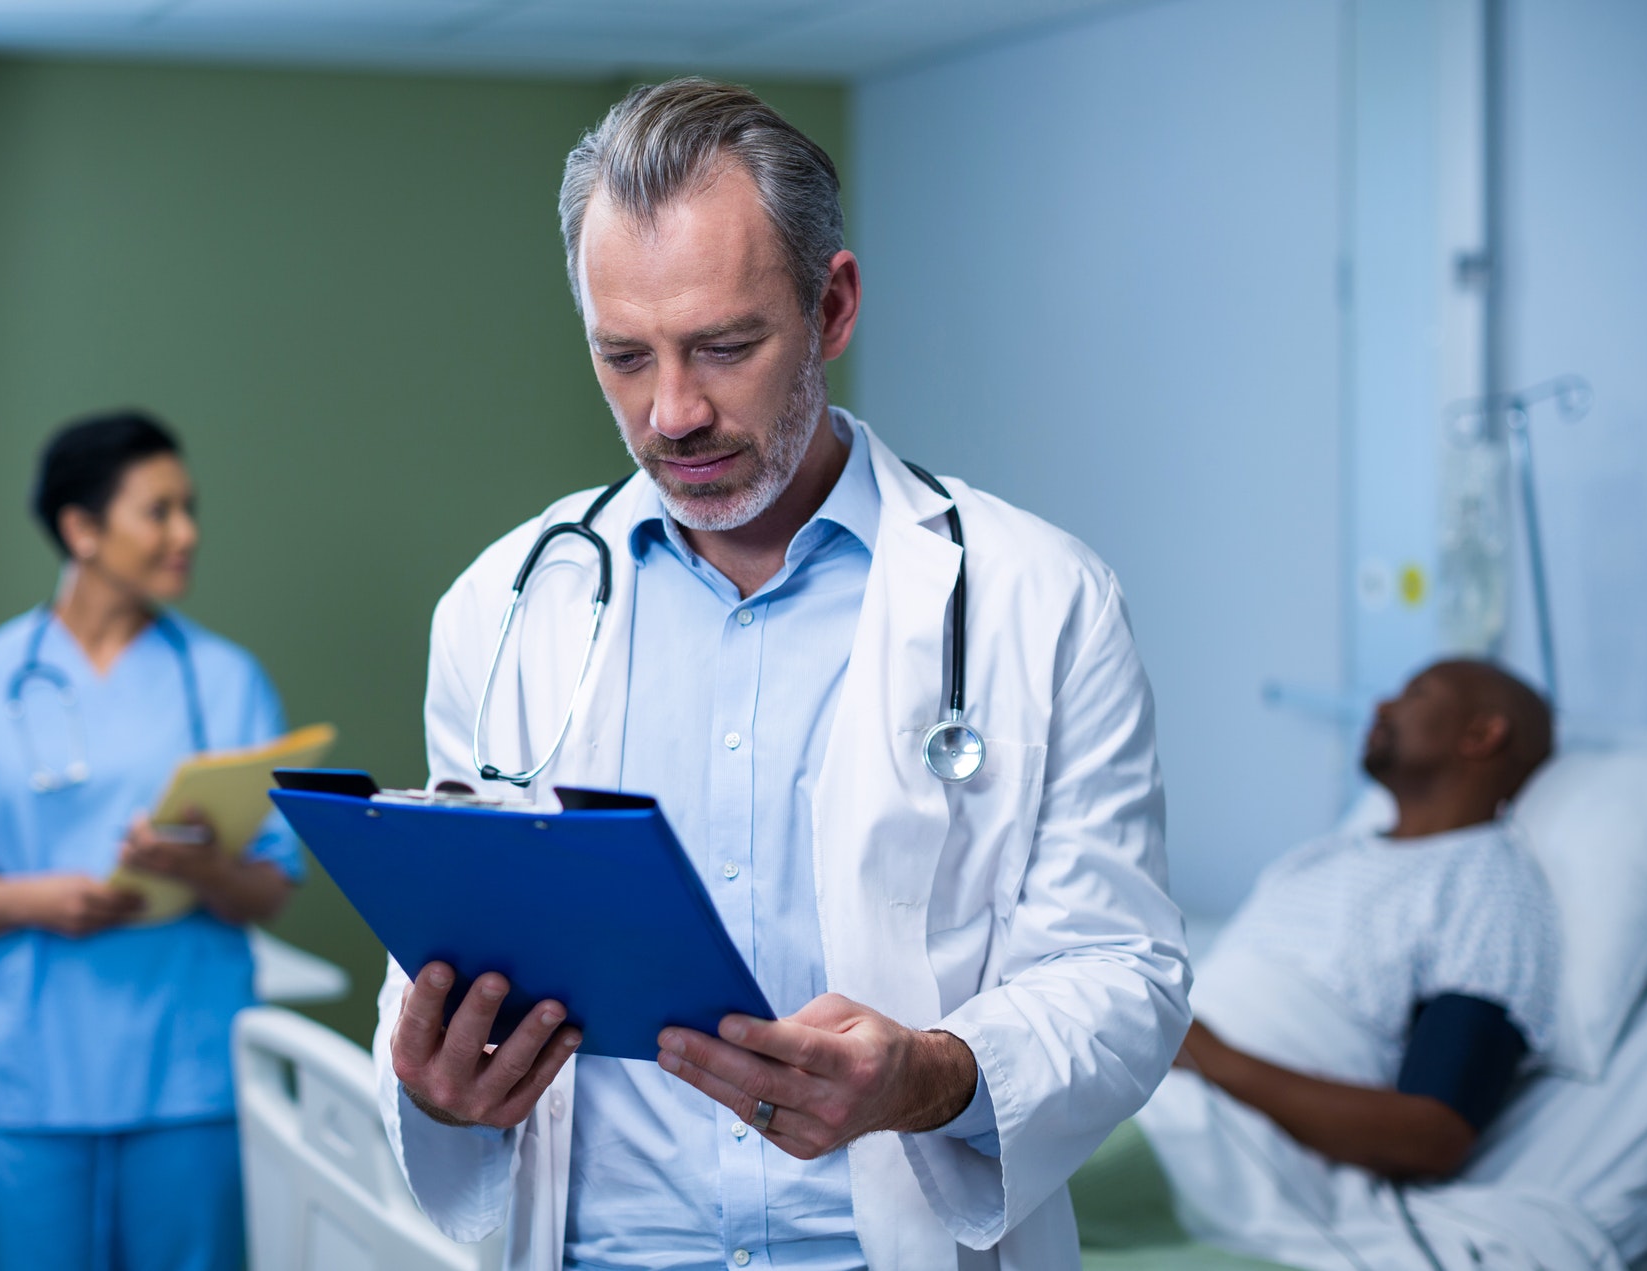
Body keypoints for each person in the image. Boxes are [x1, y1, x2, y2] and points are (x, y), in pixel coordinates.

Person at [371, 79, 1192, 1270]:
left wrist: (930, 1074)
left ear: (833, 304)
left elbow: (1123, 972)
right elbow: (451, 939)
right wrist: (440, 1077)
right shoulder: (506, 606)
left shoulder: (1038, 598)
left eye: (724, 345)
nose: (671, 412)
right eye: (622, 355)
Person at [0, 410, 301, 1271]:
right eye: (159, 510)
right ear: (80, 528)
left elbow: (272, 886)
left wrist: (204, 867)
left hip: (187, 1074)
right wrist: (32, 899)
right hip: (24, 1076)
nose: (186, 533)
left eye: (190, 508)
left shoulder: (225, 681)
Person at [1104, 659, 1560, 1268]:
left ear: (1481, 735)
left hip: (1210, 1132)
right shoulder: (1322, 859)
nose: (1381, 706)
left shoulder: (1486, 883)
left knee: (982, 1166)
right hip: (1144, 1073)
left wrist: (1211, 1059)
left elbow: (1434, 1132)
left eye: (1415, 692)